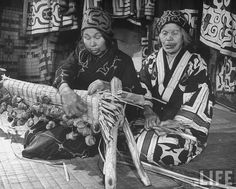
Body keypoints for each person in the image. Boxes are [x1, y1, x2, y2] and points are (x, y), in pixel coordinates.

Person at [134, 10, 214, 166]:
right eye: (164, 33)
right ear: (159, 36)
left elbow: (199, 100)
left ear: (183, 37)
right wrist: (148, 112)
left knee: (161, 150)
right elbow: (141, 89)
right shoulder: (150, 60)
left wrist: (174, 123)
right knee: (122, 135)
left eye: (175, 33)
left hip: (181, 127)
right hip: (153, 121)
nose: (168, 38)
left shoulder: (196, 64)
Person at [53, 7, 145, 120]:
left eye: (97, 37)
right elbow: (64, 69)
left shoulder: (123, 61)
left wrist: (108, 86)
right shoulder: (81, 53)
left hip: (109, 121)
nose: (92, 43)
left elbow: (137, 98)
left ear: (107, 37)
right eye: (87, 37)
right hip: (79, 116)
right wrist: (65, 90)